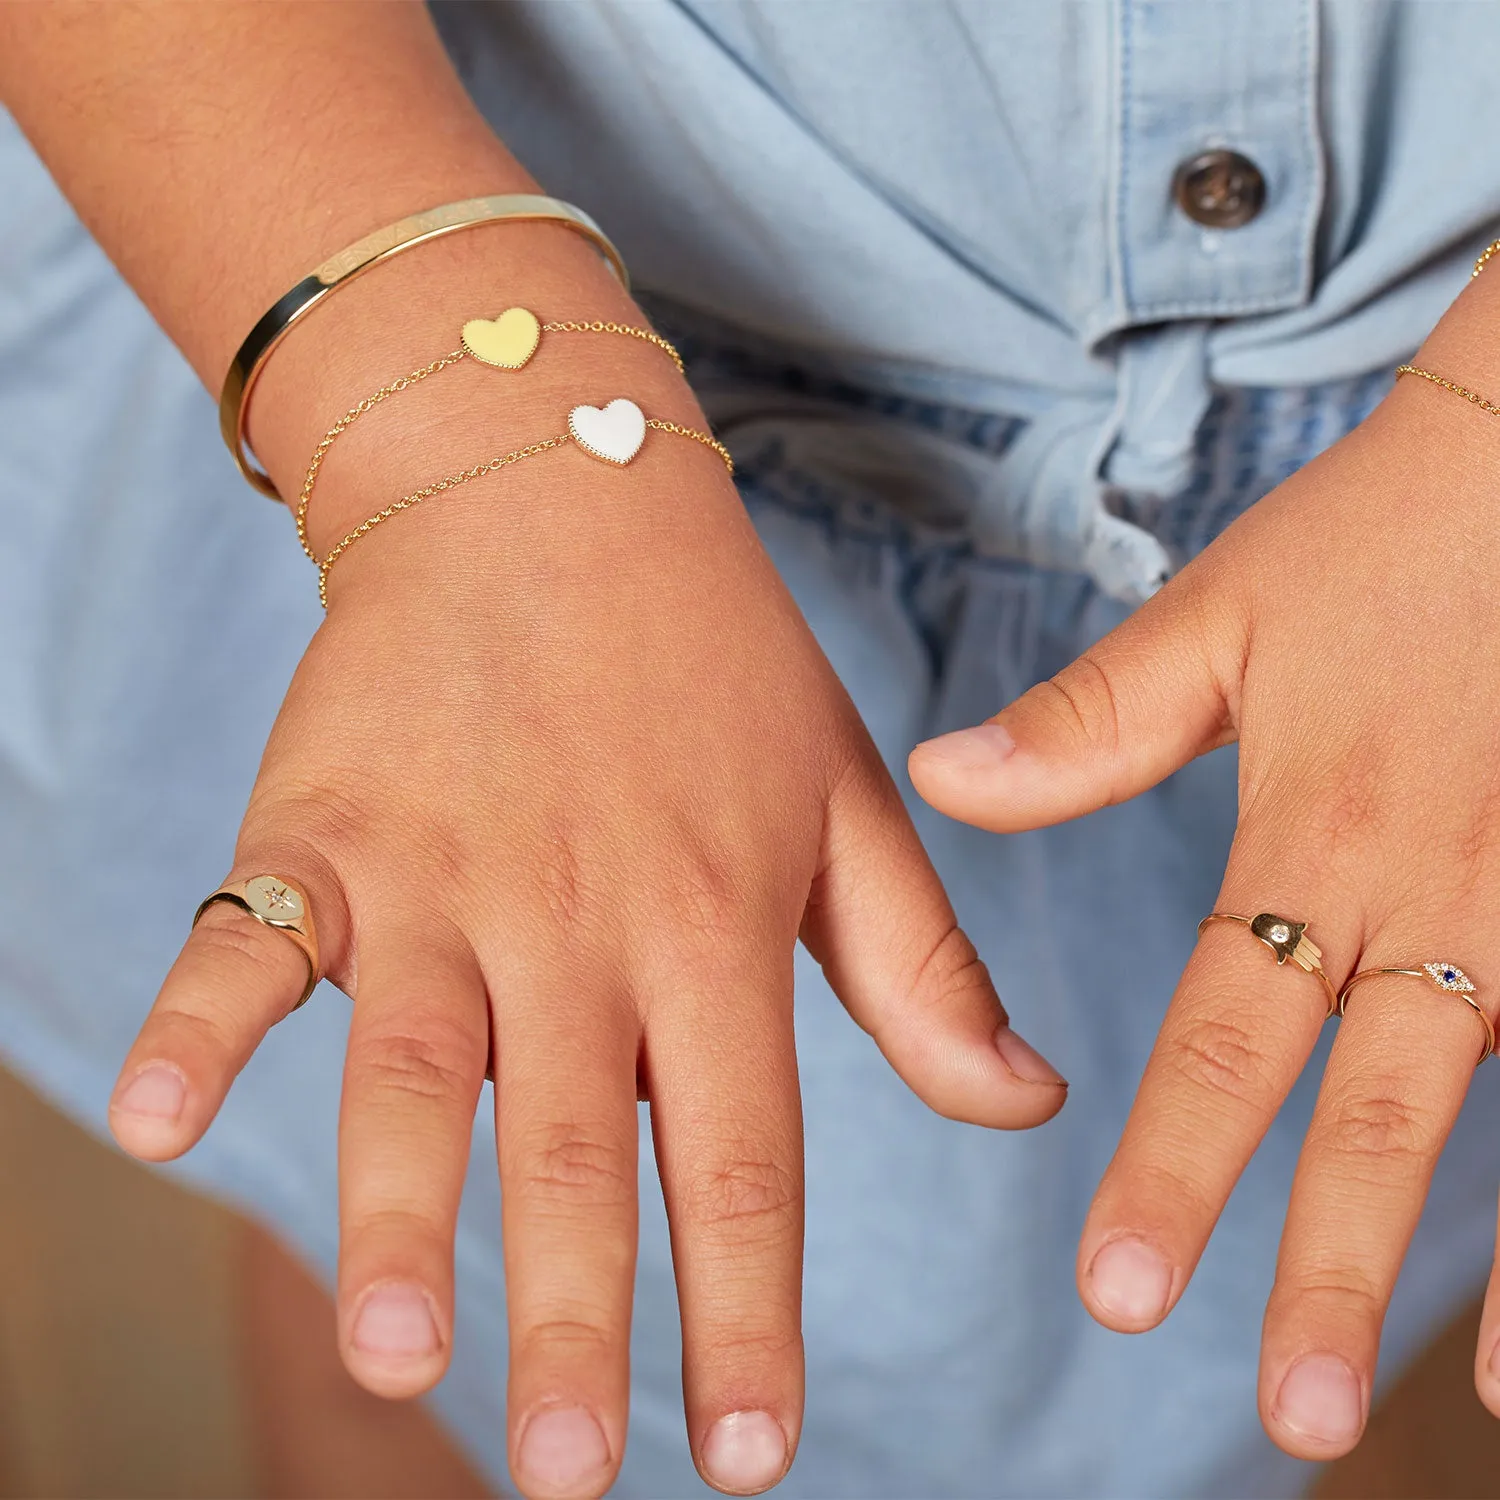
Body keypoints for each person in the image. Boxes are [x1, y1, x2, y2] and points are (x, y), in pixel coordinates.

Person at [3, 3, 1500, 1496]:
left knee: (1290, 1309)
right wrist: (465, 449)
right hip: (441, 340)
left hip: (1443, 581)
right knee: (433, 1256)